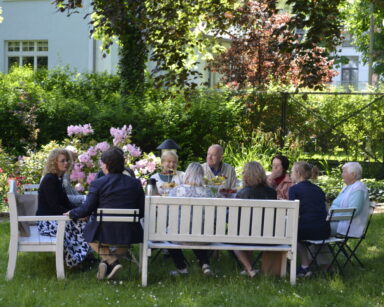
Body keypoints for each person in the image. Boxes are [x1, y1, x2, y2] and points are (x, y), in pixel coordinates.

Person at [66, 147, 145, 280]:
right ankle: (109, 263)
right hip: (129, 231)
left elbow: (86, 209)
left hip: (103, 230)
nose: (101, 166)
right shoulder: (135, 184)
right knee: (124, 244)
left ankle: (110, 261)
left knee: (87, 235)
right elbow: (142, 210)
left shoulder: (98, 183)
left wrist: (71, 213)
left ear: (106, 165)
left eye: (102, 163)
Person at [36, 148, 89, 268]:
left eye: (67, 160)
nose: (66, 163)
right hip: (47, 222)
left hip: (55, 218)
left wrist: (79, 213)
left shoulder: (57, 179)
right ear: (54, 162)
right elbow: (54, 207)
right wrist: (75, 216)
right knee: (82, 226)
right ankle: (74, 260)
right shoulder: (50, 179)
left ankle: (81, 258)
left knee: (85, 222)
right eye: (62, 161)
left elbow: (66, 202)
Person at [167, 162, 213, 276]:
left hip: (178, 237)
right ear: (201, 176)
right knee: (196, 230)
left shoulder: (176, 191)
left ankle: (182, 268)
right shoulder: (208, 192)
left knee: (169, 232)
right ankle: (205, 264)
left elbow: (168, 213)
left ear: (187, 174)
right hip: (204, 237)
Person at [234, 162, 277, 277]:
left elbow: (235, 217)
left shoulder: (242, 193)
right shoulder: (272, 192)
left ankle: (249, 268)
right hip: (270, 235)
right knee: (247, 232)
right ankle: (248, 268)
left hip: (248, 235)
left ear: (246, 175)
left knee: (233, 241)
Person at [288, 161, 330, 277]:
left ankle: (305, 266)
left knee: (292, 234)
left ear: (298, 173)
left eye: (291, 172)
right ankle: (319, 264)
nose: (290, 174)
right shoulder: (319, 189)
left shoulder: (294, 189)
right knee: (305, 227)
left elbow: (293, 212)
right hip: (324, 230)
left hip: (307, 231)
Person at [330, 162, 371, 238]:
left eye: (344, 172)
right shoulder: (347, 186)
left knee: (312, 228)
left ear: (353, 174)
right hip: (336, 221)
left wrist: (331, 217)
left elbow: (353, 211)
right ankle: (322, 250)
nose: (342, 174)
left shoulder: (358, 188)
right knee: (312, 225)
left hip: (347, 226)